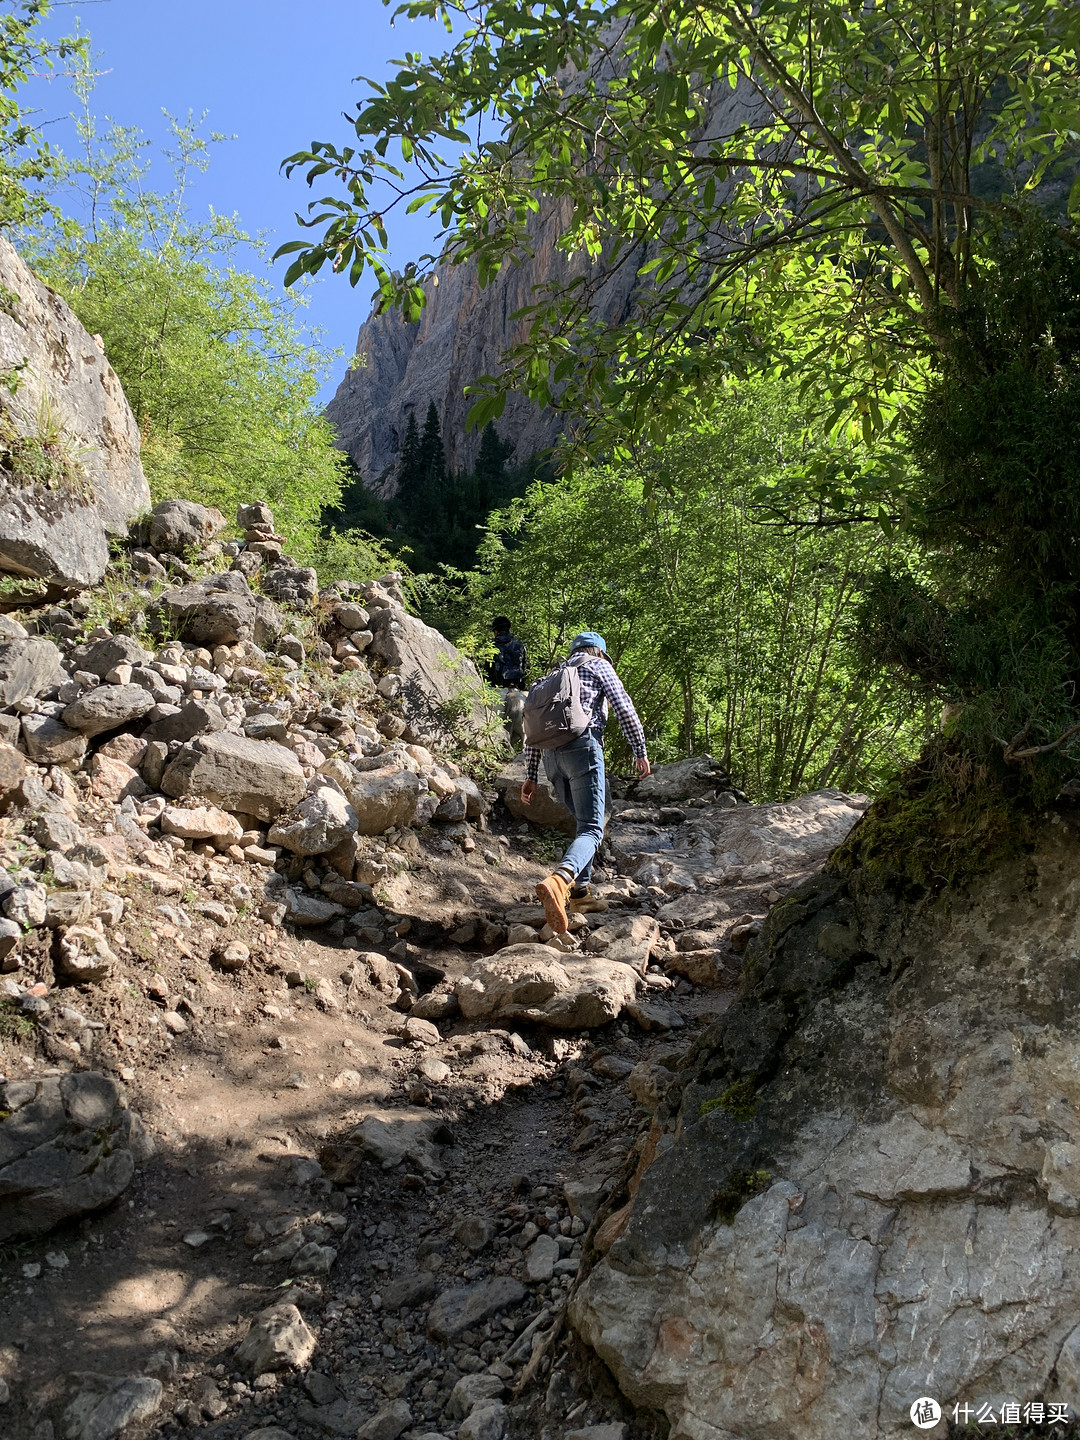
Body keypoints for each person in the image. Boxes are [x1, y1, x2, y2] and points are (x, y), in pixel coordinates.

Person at [521, 631, 650, 933]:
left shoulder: (548, 678)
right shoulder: (598, 666)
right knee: (592, 828)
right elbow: (624, 708)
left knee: (584, 824)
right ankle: (560, 881)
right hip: (584, 748)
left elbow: (531, 732)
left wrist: (530, 776)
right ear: (600, 652)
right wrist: (640, 750)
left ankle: (581, 895)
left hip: (552, 758)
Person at [488, 617, 527, 689]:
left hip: (498, 686)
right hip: (517, 684)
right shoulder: (520, 644)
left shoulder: (492, 645)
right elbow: (524, 665)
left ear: (496, 631)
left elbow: (488, 669)